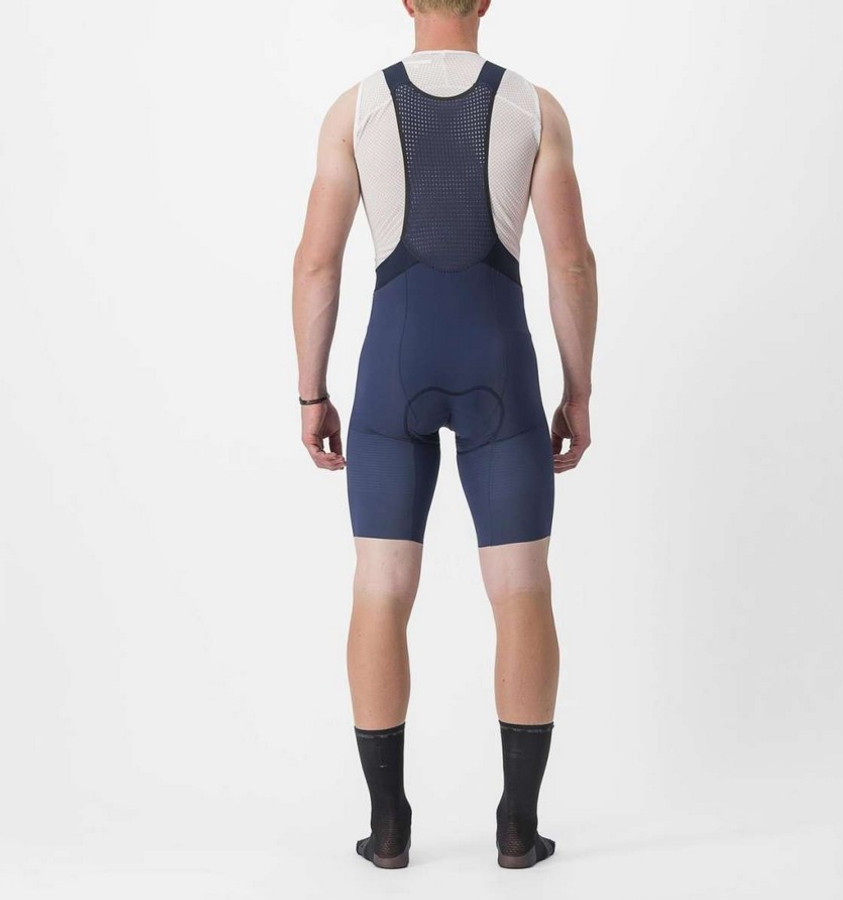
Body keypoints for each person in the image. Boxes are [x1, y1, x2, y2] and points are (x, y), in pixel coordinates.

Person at [291, 0, 597, 870]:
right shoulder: (535, 107)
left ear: (406, 2)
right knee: (522, 590)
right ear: (486, 1)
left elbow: (316, 262)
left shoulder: (355, 108)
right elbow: (570, 261)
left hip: (393, 368)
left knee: (381, 590)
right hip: (500, 368)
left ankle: (388, 828)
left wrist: (312, 392)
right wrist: (577, 390)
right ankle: (518, 829)